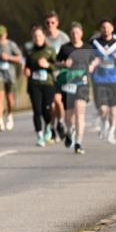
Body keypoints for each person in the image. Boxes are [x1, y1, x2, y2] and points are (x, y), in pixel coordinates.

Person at [56, 22, 92, 154]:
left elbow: (95, 60)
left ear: (81, 33)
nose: (75, 35)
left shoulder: (88, 48)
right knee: (69, 117)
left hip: (82, 85)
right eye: (72, 33)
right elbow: (57, 62)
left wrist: (93, 65)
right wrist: (64, 64)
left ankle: (79, 143)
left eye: (77, 32)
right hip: (68, 85)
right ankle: (69, 131)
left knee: (79, 113)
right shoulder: (65, 48)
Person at [90, 18, 116, 144]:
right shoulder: (95, 43)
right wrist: (93, 63)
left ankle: (111, 132)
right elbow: (91, 57)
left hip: (114, 79)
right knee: (103, 108)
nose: (106, 29)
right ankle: (104, 122)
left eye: (108, 27)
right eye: (103, 27)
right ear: (100, 29)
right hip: (99, 79)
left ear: (112, 29)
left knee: (113, 108)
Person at [24, 25, 58, 146]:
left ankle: (48, 127)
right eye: (35, 36)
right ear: (33, 38)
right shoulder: (30, 51)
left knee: (47, 109)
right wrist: (26, 71)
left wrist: (47, 65)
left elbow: (57, 66)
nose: (37, 38)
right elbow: (27, 66)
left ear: (44, 36)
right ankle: (39, 136)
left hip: (48, 84)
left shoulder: (50, 50)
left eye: (39, 35)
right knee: (37, 111)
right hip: (34, 84)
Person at [42, 11, 70, 141]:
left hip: (61, 74)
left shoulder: (63, 38)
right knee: (52, 104)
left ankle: (60, 122)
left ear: (57, 23)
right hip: (48, 75)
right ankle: (52, 128)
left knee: (59, 102)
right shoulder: (43, 38)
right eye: (47, 23)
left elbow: (70, 53)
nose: (50, 25)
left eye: (52, 22)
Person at [0, 25, 22, 131]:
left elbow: (20, 58)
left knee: (9, 96)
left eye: (2, 35)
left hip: (10, 74)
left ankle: (10, 115)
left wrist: (9, 57)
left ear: (6, 34)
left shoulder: (11, 45)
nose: (0, 37)